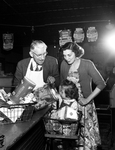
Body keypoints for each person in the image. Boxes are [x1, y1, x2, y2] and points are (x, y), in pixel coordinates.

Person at [59, 42, 106, 150]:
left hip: (85, 107)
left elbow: (101, 83)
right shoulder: (63, 64)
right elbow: (62, 85)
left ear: (76, 53)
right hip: (69, 107)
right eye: (64, 55)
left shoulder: (87, 64)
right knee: (71, 140)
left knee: (86, 141)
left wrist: (87, 100)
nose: (66, 58)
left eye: (69, 55)